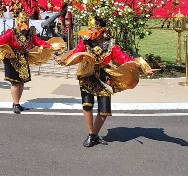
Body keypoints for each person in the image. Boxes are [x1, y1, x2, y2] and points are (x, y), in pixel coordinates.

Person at [55, 17, 154, 147]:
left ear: (102, 30)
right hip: (87, 76)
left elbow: (125, 59)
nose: (90, 31)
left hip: (104, 78)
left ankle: (94, 134)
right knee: (87, 105)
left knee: (104, 110)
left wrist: (143, 68)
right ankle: (91, 134)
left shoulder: (110, 45)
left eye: (93, 29)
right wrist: (63, 59)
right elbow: (74, 55)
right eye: (89, 28)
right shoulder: (84, 43)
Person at [0, 11, 55, 114]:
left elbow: (38, 41)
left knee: (21, 81)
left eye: (25, 21)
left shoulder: (30, 33)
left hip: (23, 57)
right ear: (17, 21)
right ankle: (16, 104)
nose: (23, 23)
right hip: (12, 57)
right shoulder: (12, 32)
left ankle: (17, 102)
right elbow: (2, 39)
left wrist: (50, 46)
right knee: (14, 82)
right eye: (21, 21)